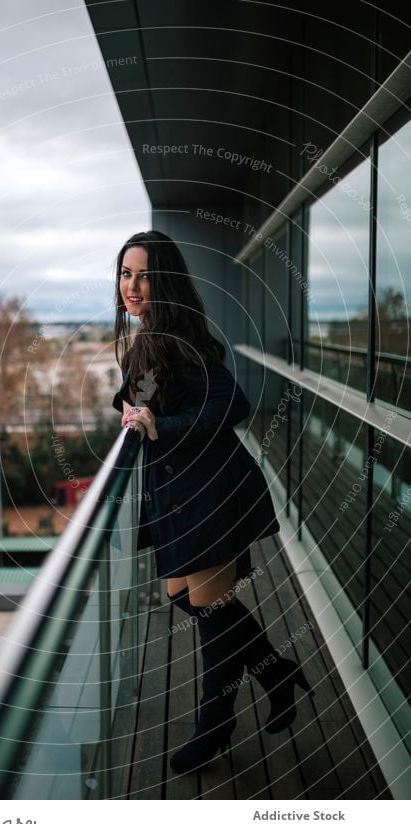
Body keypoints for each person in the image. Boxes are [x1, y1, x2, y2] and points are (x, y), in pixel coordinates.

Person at [111, 230, 314, 774]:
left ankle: (215, 724)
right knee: (190, 599)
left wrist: (160, 424)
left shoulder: (180, 338)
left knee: (207, 612)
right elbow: (148, 394)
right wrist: (132, 404)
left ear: (166, 279)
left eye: (144, 273)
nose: (132, 285)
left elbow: (234, 404)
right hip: (185, 495)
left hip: (210, 493)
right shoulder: (154, 338)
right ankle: (275, 672)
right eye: (125, 273)